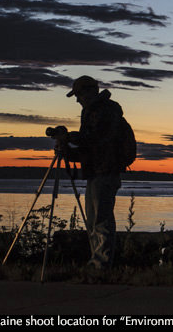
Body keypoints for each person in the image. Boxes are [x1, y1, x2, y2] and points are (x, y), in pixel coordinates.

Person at [65, 75, 126, 269]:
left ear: (90, 91)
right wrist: (68, 151)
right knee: (92, 221)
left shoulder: (108, 110)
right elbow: (89, 149)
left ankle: (102, 266)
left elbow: (98, 140)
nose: (77, 100)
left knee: (102, 220)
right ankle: (96, 262)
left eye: (79, 95)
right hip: (94, 173)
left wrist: (72, 137)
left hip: (106, 171)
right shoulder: (90, 112)